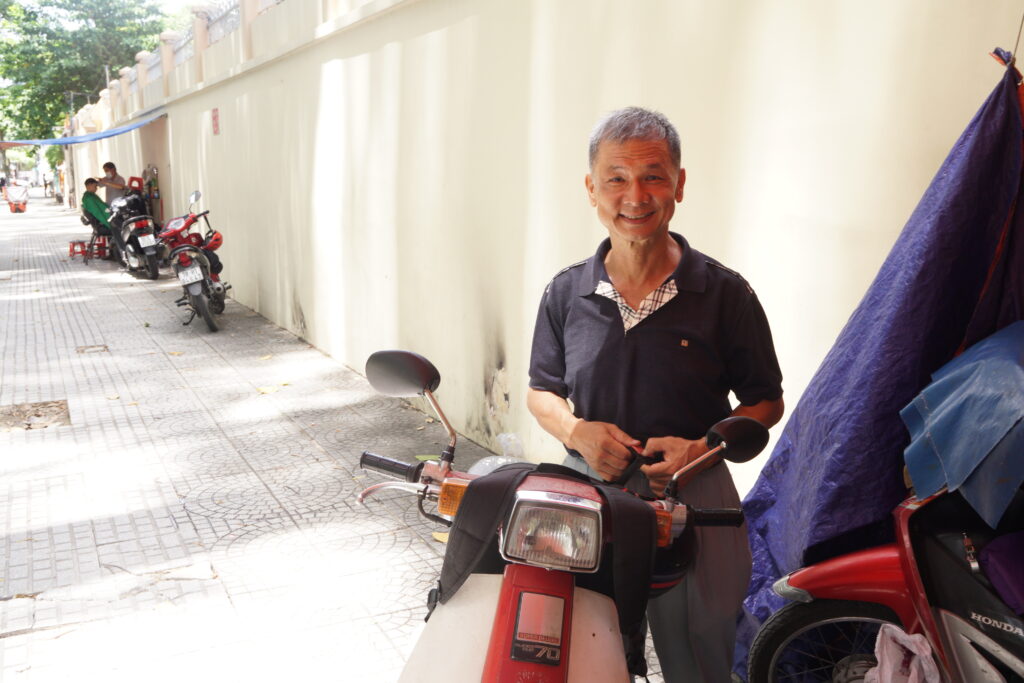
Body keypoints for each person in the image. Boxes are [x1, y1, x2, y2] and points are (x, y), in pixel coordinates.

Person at [527, 107, 785, 682]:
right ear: (591, 189)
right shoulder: (566, 292)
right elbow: (541, 392)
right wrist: (576, 432)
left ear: (680, 184)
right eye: (616, 177)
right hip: (591, 489)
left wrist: (705, 446)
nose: (635, 195)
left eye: (654, 175)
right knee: (585, 641)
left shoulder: (725, 293)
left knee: (701, 646)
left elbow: (766, 401)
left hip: (696, 493)